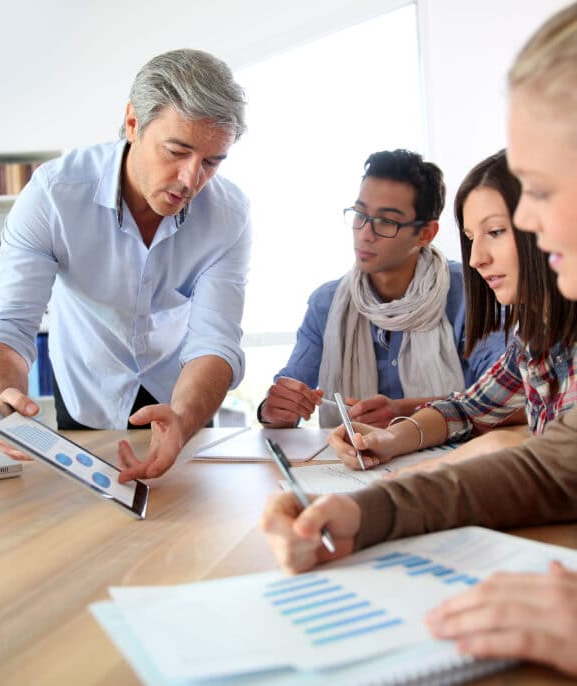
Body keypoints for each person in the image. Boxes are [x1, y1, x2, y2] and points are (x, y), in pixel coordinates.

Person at [261, 2, 577, 675]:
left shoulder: (473, 298)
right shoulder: (333, 300)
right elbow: (549, 463)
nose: (522, 220)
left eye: (541, 188)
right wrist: (360, 510)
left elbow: (521, 441)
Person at [0, 49, 251, 482]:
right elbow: (8, 324)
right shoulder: (54, 195)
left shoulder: (229, 214)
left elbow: (215, 341)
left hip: (180, 394)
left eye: (212, 162)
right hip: (87, 389)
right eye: (176, 151)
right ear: (132, 124)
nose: (190, 179)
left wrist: (183, 417)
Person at [332, 149, 577, 472]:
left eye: (495, 232)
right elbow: (470, 408)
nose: (476, 258)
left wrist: (442, 468)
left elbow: (562, 464)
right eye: (471, 238)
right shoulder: (534, 334)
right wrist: (390, 439)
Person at [258, 150, 506, 429]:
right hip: (351, 464)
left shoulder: (470, 294)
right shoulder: (327, 304)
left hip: (454, 462)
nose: (365, 233)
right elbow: (288, 394)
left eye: (386, 221)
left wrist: (407, 413)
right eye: (360, 215)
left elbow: (505, 400)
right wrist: (274, 408)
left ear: (425, 234)